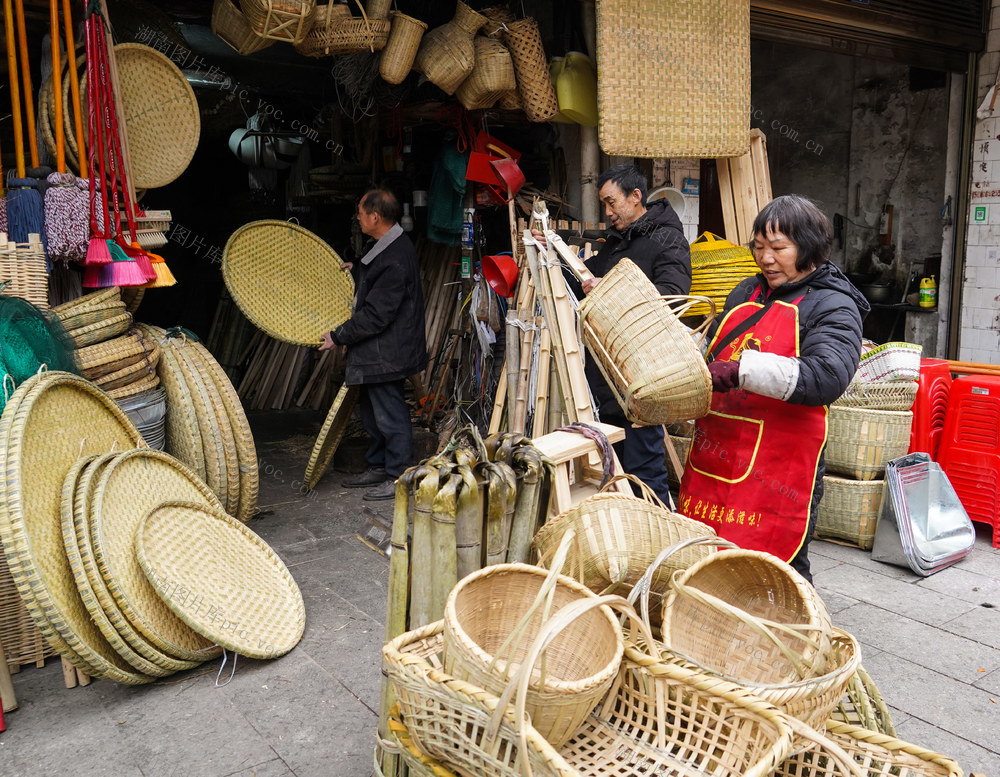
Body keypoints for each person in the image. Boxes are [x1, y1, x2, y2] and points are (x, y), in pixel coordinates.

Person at [678, 195, 870, 582]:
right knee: (706, 558)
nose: (766, 258)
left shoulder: (833, 305)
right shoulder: (745, 291)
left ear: (809, 247)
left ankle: (796, 637)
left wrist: (740, 371)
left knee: (777, 571)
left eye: (779, 248)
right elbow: (713, 346)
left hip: (780, 470)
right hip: (717, 454)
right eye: (759, 247)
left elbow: (827, 375)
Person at [535, 163, 692, 504]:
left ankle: (658, 536)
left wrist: (612, 289)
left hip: (641, 375)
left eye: (611, 203)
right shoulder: (621, 240)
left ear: (636, 197)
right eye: (603, 204)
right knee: (614, 467)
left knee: (643, 469)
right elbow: (583, 279)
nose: (606, 212)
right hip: (608, 376)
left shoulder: (668, 238)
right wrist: (550, 252)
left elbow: (673, 296)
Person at [319, 189, 427, 501]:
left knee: (390, 416)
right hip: (378, 351)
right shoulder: (386, 243)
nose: (358, 217)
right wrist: (358, 270)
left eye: (361, 213)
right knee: (373, 415)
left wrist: (338, 335)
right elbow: (374, 273)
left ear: (374, 217)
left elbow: (378, 315)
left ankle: (398, 476)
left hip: (388, 351)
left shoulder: (395, 257)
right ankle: (379, 464)